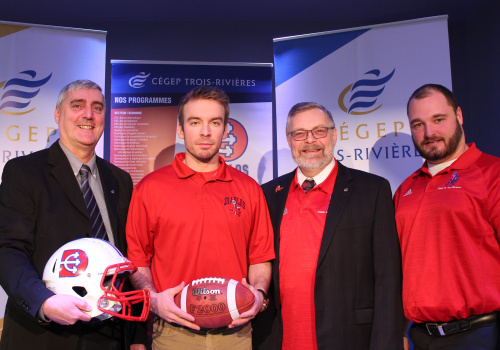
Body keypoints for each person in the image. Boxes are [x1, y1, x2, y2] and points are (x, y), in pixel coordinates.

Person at [126, 86, 275, 350]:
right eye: (195, 122)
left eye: (214, 122)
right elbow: (138, 260)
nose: (205, 132)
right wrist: (153, 299)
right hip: (172, 331)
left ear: (225, 129)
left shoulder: (249, 189)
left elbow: (260, 258)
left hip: (236, 333)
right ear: (182, 130)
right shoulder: (149, 188)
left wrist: (259, 294)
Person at [0, 80, 143, 349]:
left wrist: (135, 336)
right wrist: (44, 301)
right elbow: (7, 249)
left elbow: (126, 258)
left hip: (111, 333)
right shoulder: (24, 172)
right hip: (45, 335)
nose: (88, 114)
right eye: (77, 105)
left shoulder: (120, 180)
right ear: (58, 114)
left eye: (97, 108)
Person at [254, 102, 403, 350]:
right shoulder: (268, 194)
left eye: (319, 131)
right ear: (289, 140)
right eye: (299, 134)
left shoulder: (372, 190)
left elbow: (388, 277)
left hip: (349, 339)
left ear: (334, 135)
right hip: (278, 339)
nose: (310, 140)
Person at [394, 84, 500, 350]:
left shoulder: (491, 174)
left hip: (481, 335)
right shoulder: (405, 189)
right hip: (420, 337)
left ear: (459, 116)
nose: (429, 133)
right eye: (418, 124)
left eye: (438, 120)